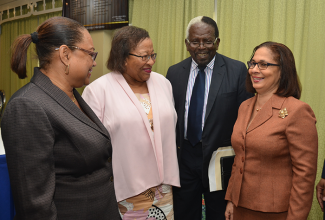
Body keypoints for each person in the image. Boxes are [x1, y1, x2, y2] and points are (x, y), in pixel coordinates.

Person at [1, 17, 120, 219]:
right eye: (91, 53)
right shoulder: (27, 105)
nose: (94, 61)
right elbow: (36, 206)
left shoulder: (71, 95)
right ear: (65, 54)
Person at [82, 26, 180, 220]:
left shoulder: (163, 84)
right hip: (124, 192)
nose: (151, 61)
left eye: (153, 55)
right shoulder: (98, 91)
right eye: (144, 56)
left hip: (162, 191)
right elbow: (91, 148)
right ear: (123, 57)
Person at [166, 16, 252, 219]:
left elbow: (246, 120)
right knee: (185, 213)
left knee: (219, 214)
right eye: (195, 41)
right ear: (187, 44)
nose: (202, 46)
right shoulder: (174, 73)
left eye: (208, 41)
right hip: (184, 157)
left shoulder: (238, 70)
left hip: (220, 159)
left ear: (217, 42)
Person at [225, 41, 318, 220]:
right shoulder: (245, 106)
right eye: (252, 63)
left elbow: (304, 175)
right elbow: (239, 158)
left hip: (275, 213)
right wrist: (230, 199)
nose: (254, 69)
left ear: (282, 70)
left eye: (264, 64)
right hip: (240, 207)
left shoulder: (297, 111)